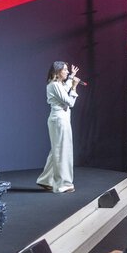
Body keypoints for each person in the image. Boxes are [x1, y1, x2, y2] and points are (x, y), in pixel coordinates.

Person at [37, 61, 81, 193]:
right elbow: (70, 102)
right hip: (59, 120)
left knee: (58, 150)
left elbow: (64, 89)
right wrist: (74, 87)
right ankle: (64, 184)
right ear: (57, 72)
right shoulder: (54, 85)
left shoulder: (58, 85)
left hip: (61, 119)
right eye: (65, 70)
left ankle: (45, 180)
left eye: (68, 70)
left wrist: (72, 77)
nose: (67, 72)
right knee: (62, 150)